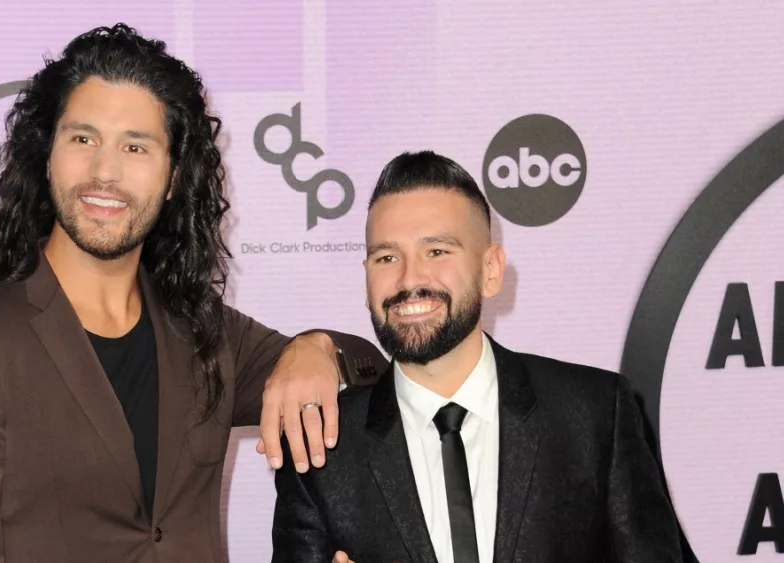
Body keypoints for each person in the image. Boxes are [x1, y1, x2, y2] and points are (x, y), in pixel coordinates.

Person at [0, 24, 385, 563]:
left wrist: (316, 347)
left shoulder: (204, 332)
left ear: (174, 176)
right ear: (46, 156)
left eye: (136, 146)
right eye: (83, 139)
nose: (104, 172)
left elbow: (373, 374)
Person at [271, 151, 683, 563]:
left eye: (437, 251)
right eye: (386, 258)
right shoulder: (321, 449)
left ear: (491, 270)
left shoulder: (594, 414)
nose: (409, 278)